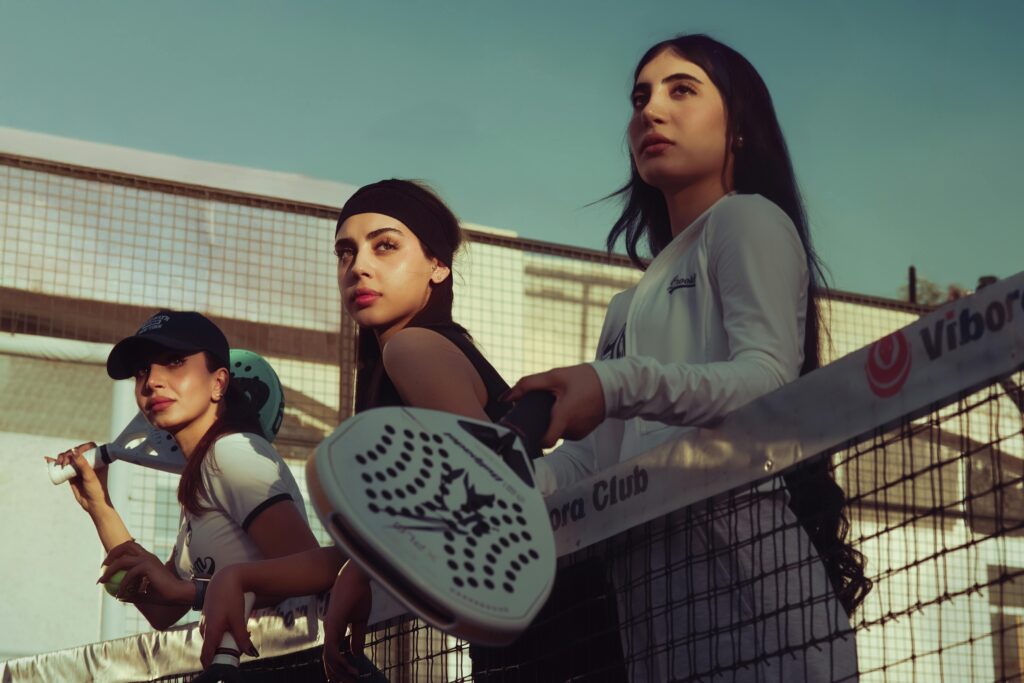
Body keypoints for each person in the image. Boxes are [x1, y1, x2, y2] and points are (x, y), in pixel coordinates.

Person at [506, 34, 872, 681]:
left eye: (682, 89)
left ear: (738, 127)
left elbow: (765, 380)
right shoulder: (626, 305)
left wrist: (613, 382)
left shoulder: (747, 220)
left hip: (765, 616)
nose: (650, 110)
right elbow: (596, 459)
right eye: (640, 96)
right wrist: (510, 486)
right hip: (656, 626)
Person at [196, 179, 512, 682]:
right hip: (512, 631)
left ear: (438, 264)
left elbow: (493, 493)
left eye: (384, 245)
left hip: (555, 625)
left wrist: (363, 570)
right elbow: (352, 551)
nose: (358, 265)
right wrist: (234, 578)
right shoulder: (390, 370)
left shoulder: (416, 350)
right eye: (346, 251)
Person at [49, 310, 319, 636]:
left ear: (218, 382)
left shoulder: (231, 455)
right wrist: (99, 505)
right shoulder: (204, 472)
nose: (152, 381)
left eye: (175, 361)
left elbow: (315, 569)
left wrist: (196, 592)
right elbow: (161, 610)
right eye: (142, 370)